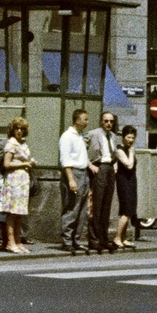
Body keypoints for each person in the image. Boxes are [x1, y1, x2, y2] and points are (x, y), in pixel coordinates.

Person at [0, 118, 35, 254]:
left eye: (22, 129)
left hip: (23, 180)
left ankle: (18, 241)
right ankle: (10, 242)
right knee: (12, 213)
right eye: (17, 128)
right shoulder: (11, 144)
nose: (19, 131)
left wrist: (29, 163)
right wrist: (24, 164)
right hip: (14, 180)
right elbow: (6, 164)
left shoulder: (23, 144)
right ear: (12, 130)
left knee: (19, 213)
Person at [86, 112, 120, 254]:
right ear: (101, 121)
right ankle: (94, 240)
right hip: (98, 168)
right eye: (106, 121)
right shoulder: (93, 134)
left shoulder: (113, 136)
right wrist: (89, 164)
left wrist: (115, 164)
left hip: (110, 169)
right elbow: (81, 149)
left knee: (106, 206)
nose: (108, 124)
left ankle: (104, 239)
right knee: (97, 206)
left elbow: (115, 152)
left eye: (111, 121)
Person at [58, 108, 91, 254]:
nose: (87, 122)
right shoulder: (67, 136)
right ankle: (67, 241)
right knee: (72, 208)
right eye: (85, 119)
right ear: (77, 120)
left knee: (82, 210)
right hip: (74, 173)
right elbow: (66, 160)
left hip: (84, 173)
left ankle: (76, 240)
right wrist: (71, 179)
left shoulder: (79, 135)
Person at [112, 125, 139, 251]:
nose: (131, 140)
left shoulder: (128, 149)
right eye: (128, 137)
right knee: (127, 211)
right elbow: (128, 165)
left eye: (133, 137)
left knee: (130, 210)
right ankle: (117, 237)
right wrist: (132, 152)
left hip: (131, 181)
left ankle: (123, 237)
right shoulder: (119, 149)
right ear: (123, 137)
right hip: (124, 181)